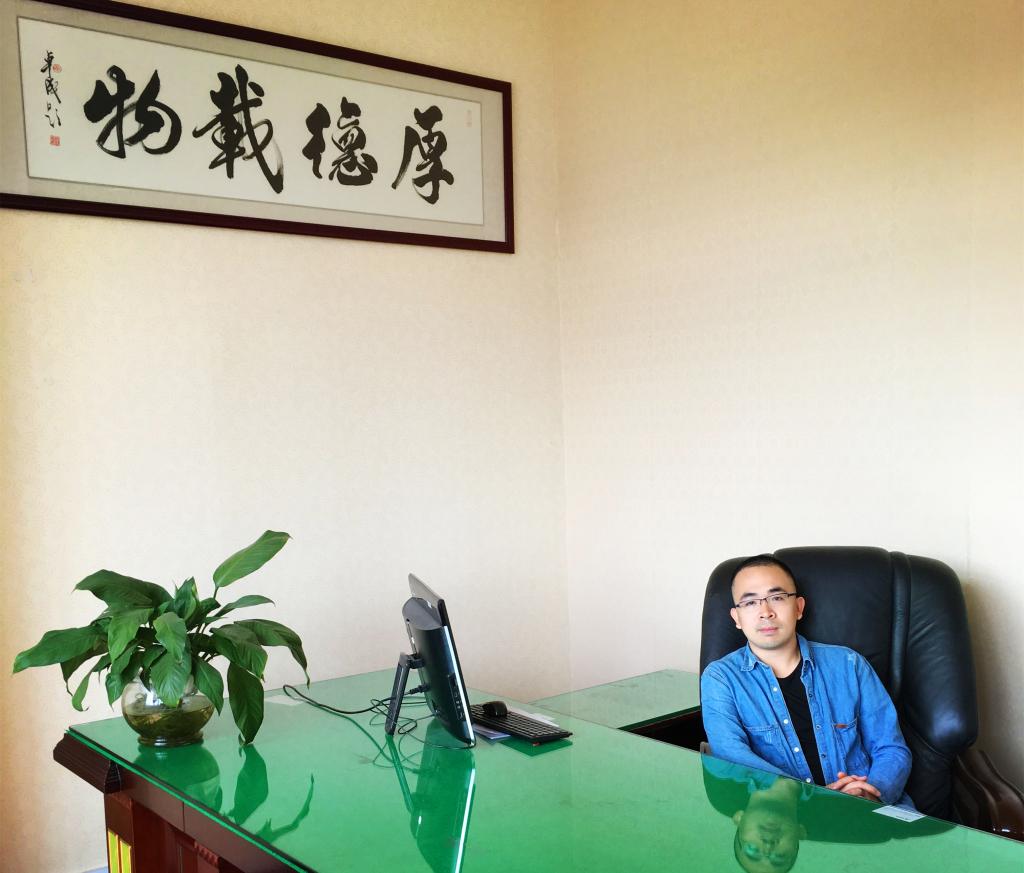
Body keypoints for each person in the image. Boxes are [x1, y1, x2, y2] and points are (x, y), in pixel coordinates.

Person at [700, 554, 913, 807]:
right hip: (783, 814)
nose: (765, 612)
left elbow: (891, 748)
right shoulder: (721, 678)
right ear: (736, 618)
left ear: (798, 607)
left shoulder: (849, 664)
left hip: (868, 809)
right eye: (750, 603)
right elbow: (732, 756)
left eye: (777, 598)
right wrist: (811, 799)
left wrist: (872, 792)